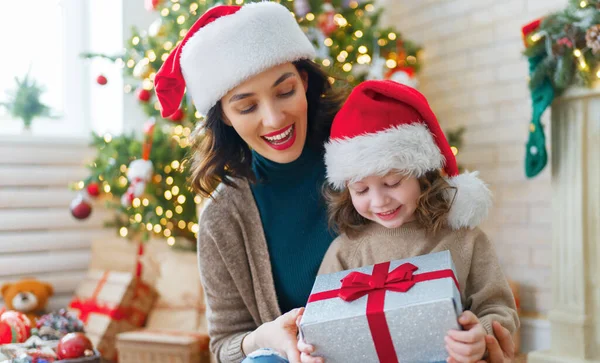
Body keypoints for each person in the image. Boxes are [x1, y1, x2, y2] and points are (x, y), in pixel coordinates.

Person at [154, 3, 518, 363]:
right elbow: (224, 346)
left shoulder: (367, 149)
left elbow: (470, 279)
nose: (273, 117)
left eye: (285, 91)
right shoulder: (224, 217)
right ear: (225, 116)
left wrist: (480, 335)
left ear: (304, 80)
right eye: (246, 107)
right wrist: (266, 337)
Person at [296, 80, 519, 363]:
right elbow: (320, 324)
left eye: (392, 182)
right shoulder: (344, 250)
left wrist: (480, 335)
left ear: (421, 174)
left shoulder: (465, 239)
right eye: (361, 190)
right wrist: (310, 350)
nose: (378, 201)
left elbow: (500, 309)